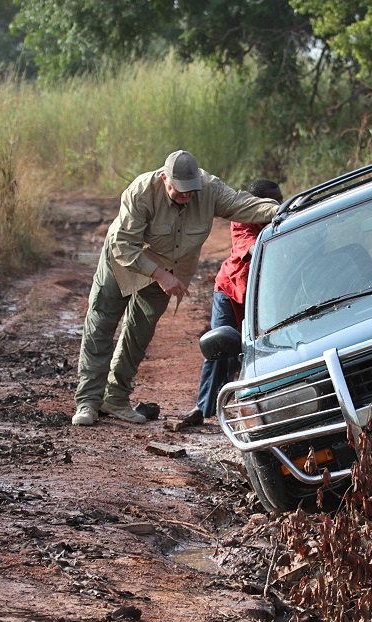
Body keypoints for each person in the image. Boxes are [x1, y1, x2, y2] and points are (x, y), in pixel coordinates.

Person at [72, 151, 280, 426]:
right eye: (179, 190)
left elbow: (244, 205)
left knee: (139, 333)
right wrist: (160, 275)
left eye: (190, 190)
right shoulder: (142, 191)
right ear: (164, 178)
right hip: (123, 262)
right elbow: (123, 246)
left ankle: (116, 398)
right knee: (101, 325)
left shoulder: (208, 188)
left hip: (170, 267)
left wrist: (284, 209)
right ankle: (88, 401)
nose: (186, 195)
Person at [182, 179, 284, 426]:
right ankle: (202, 407)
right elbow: (252, 248)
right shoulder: (241, 218)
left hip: (261, 299)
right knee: (219, 347)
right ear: (257, 203)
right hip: (229, 291)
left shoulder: (283, 219)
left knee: (255, 353)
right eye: (273, 201)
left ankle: (252, 409)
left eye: (280, 199)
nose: (279, 205)